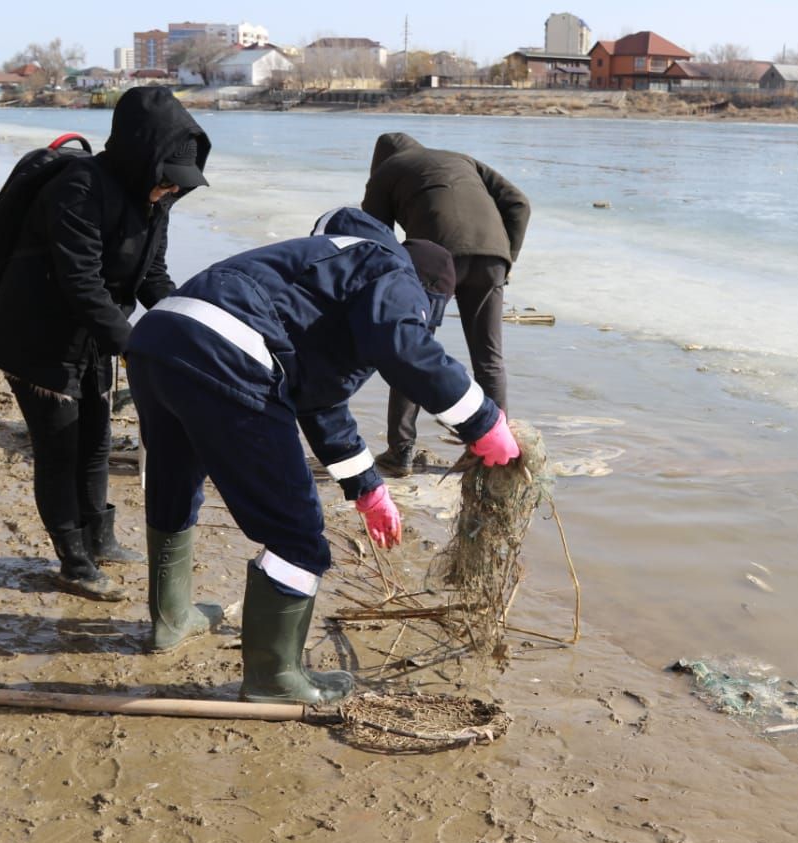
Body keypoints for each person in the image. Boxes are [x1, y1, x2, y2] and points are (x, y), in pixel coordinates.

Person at [124, 207, 520, 702]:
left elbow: (321, 402)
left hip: (158, 335)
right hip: (228, 347)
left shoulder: (334, 274)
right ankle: (274, 678)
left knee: (174, 481)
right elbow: (405, 348)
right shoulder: (393, 270)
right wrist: (484, 421)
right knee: (297, 534)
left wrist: (368, 488)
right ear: (427, 296)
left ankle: (171, 619)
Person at [0, 87, 210, 601]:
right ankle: (73, 563)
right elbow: (80, 282)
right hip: (37, 336)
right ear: (141, 158)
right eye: (166, 180)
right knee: (60, 451)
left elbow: (154, 276)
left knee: (96, 441)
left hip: (93, 337)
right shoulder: (78, 186)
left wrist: (186, 323)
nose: (170, 191)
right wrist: (136, 348)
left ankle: (99, 539)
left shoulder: (155, 199)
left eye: (178, 185)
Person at [361, 132, 531, 476]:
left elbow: (374, 238)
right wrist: (506, 258)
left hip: (436, 257)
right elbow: (519, 203)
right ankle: (495, 454)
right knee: (489, 358)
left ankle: (401, 451)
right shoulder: (462, 159)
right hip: (492, 256)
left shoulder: (387, 171)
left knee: (410, 352)